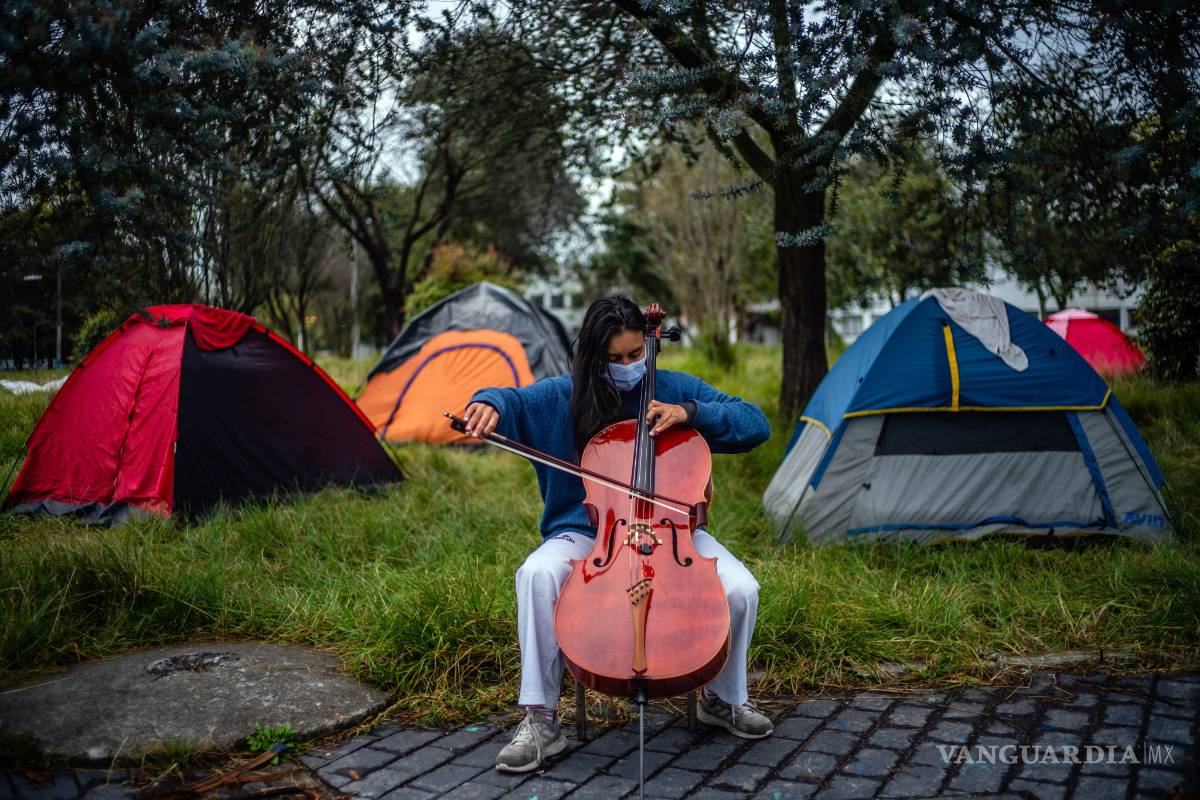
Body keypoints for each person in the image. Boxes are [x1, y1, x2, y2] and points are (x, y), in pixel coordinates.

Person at [462, 296, 773, 774]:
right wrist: (488, 403)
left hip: (672, 534)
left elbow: (755, 424)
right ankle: (540, 721)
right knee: (536, 574)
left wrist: (691, 412)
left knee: (741, 588)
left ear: (648, 347)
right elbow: (513, 401)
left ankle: (722, 698)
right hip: (589, 533)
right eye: (614, 358)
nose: (628, 367)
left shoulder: (673, 388)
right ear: (592, 354)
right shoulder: (564, 396)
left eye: (635, 355)